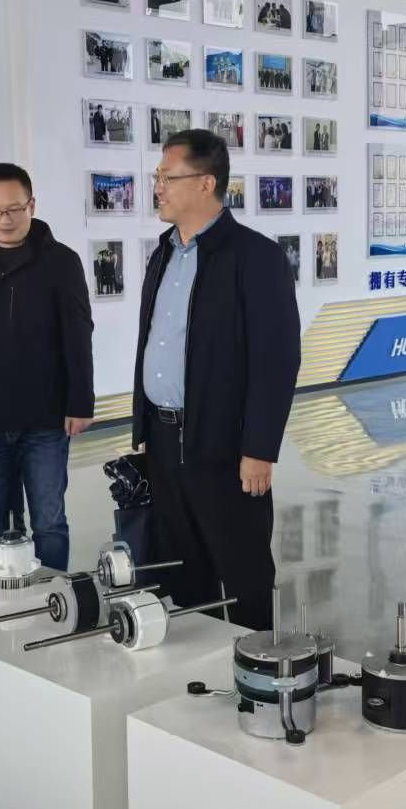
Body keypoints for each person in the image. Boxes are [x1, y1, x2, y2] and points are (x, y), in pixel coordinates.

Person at [135, 130, 300, 631]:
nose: (157, 187)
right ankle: (195, 670)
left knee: (243, 570)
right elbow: (154, 342)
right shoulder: (163, 254)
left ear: (206, 183)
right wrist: (143, 430)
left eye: (167, 177)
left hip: (225, 447)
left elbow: (276, 360)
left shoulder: (255, 258)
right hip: (164, 442)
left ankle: (257, 667)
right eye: (157, 176)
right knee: (180, 573)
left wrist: (259, 450)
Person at [0, 163, 94, 571]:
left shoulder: (61, 262)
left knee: (49, 521)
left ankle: (53, 597)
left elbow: (78, 335)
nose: (4, 219)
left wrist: (80, 402)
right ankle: (10, 594)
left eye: (13, 209)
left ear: (31, 205)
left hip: (45, 418)